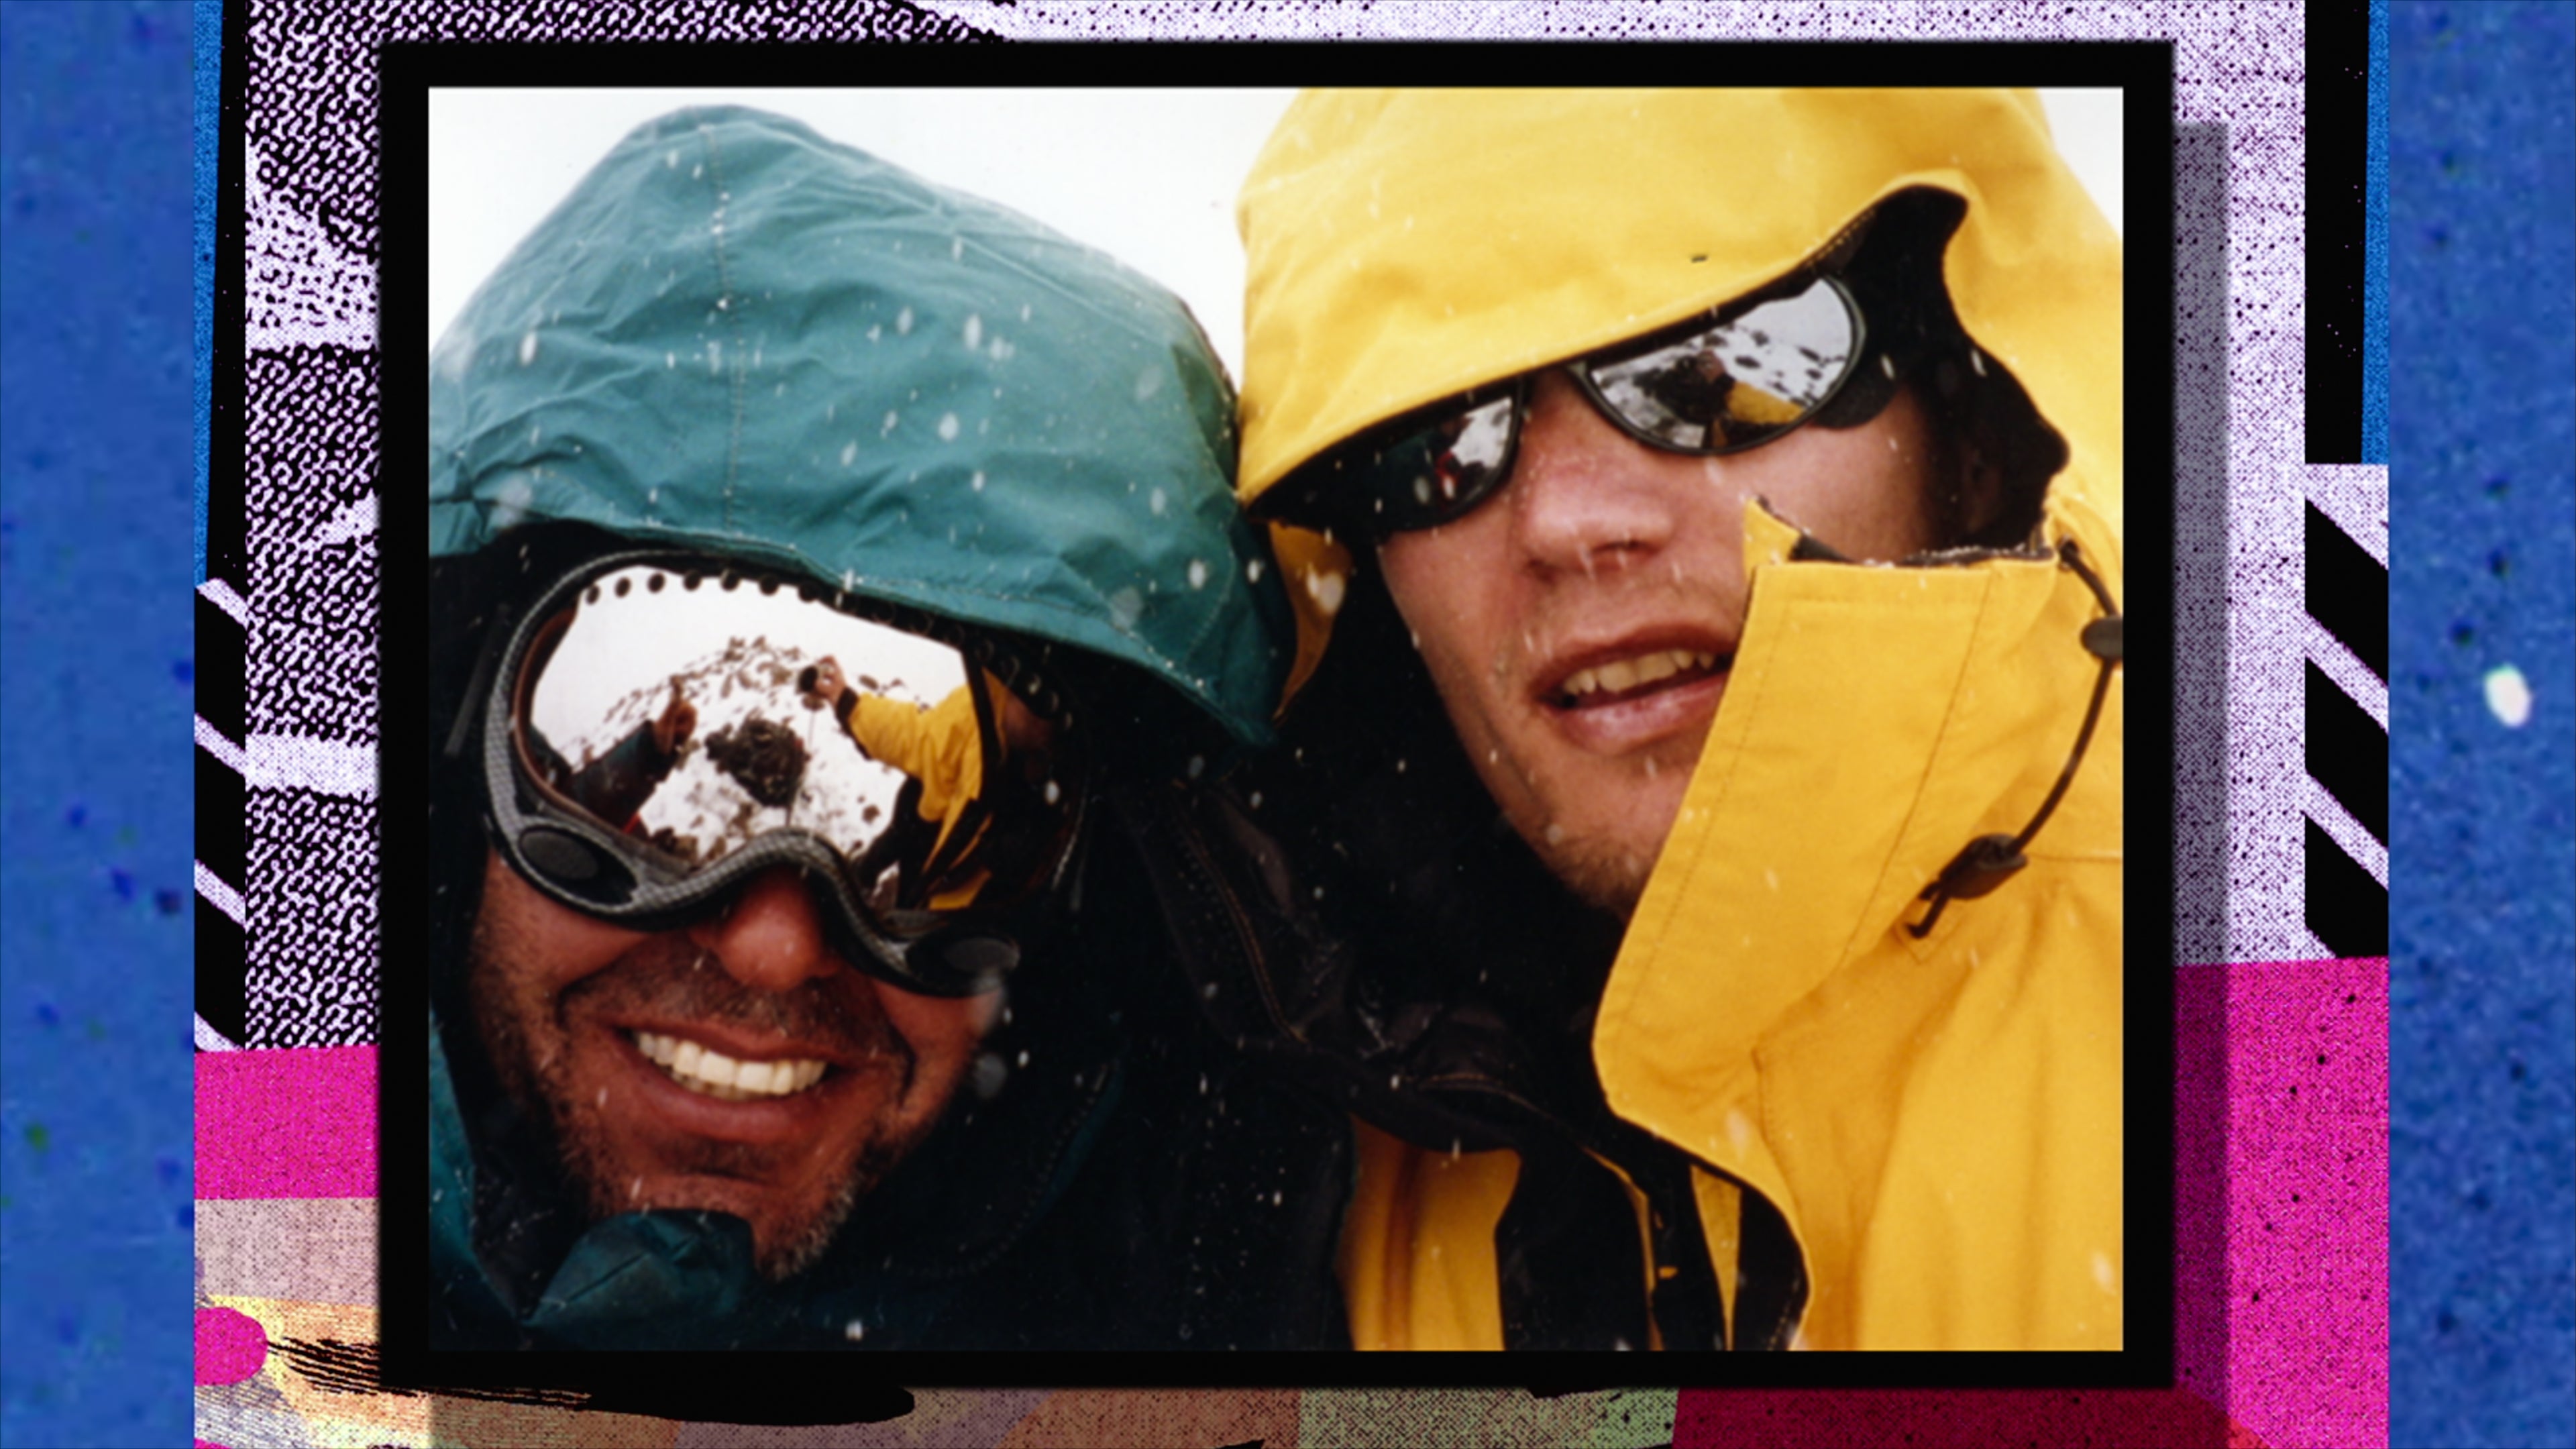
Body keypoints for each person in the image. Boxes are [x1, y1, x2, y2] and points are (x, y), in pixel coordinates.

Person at [1194, 88, 2127, 1351]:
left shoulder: (2309, 1018)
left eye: (1714, 364)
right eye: (1434, 439)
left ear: (1970, 429)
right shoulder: (1307, 1110)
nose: (1570, 520)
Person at [422, 106, 1347, 1351]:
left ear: (1073, 906)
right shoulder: (224, 1235)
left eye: (954, 852)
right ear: (450, 748)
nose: (770, 947)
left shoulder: (1228, 1313)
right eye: (637, 799)